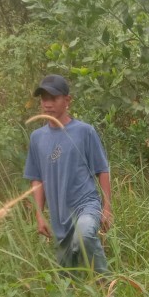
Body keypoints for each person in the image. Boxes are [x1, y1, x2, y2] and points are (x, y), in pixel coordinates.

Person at [24, 74, 112, 276]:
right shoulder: (37, 138)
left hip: (86, 204)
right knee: (67, 276)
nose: (47, 104)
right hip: (59, 216)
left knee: (85, 234)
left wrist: (107, 207)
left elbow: (102, 170)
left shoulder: (84, 132)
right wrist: (39, 214)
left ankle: (106, 285)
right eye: (43, 99)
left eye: (53, 98)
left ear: (67, 100)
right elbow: (36, 179)